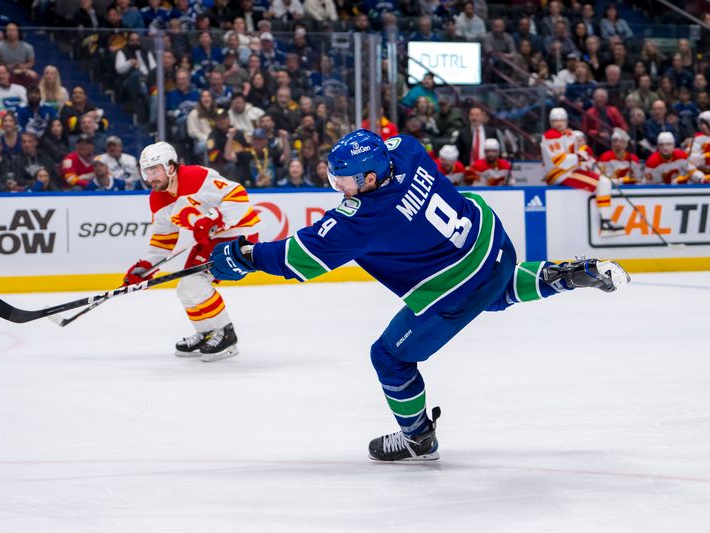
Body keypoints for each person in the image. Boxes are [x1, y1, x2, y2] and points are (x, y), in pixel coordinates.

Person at [208, 129, 631, 462]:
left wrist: (243, 256)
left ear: (371, 178)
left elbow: (299, 259)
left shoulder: (367, 216)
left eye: (346, 179)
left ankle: (417, 439)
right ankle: (568, 274)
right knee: (497, 291)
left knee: (389, 357)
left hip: (459, 278)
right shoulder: (405, 149)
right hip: (490, 241)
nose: (338, 185)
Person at [124, 142, 261, 362]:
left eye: (154, 169)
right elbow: (163, 239)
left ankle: (226, 335)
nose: (150, 176)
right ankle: (207, 332)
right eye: (146, 171)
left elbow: (238, 196)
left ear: (170, 167)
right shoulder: (158, 199)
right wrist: (146, 266)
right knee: (184, 288)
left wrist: (214, 218)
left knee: (194, 283)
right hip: (211, 239)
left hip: (239, 233)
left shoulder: (196, 177)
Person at [541, 108, 625, 236]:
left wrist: (582, 156)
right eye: (555, 121)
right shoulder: (551, 136)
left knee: (604, 182)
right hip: (559, 174)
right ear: (551, 122)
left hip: (570, 171)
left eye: (561, 120)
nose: (558, 123)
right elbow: (560, 161)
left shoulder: (567, 134)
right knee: (603, 183)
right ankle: (606, 223)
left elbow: (574, 154)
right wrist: (580, 157)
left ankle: (606, 221)